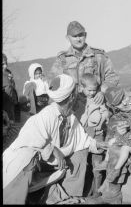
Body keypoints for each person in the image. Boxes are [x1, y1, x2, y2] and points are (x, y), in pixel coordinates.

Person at [3, 74, 107, 204]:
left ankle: (71, 197)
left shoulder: (70, 116)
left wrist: (98, 145)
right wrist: (51, 149)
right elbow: (27, 142)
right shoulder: (45, 116)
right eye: (75, 95)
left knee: (80, 153)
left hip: (56, 164)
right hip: (32, 166)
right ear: (71, 97)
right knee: (26, 158)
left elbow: (81, 139)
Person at [47, 21, 119, 197]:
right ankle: (74, 194)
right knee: (75, 154)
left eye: (81, 35)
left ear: (85, 35)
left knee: (97, 155)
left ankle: (97, 193)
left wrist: (103, 91)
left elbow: (112, 77)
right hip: (72, 114)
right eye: (74, 36)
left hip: (95, 114)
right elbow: (53, 85)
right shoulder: (62, 59)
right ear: (68, 37)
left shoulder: (98, 56)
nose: (78, 38)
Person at [79, 73, 110, 197]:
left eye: (94, 90)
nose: (92, 93)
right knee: (84, 165)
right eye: (89, 90)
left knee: (97, 166)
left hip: (97, 135)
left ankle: (97, 192)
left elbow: (105, 113)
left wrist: (101, 119)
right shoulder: (78, 100)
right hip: (83, 136)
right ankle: (84, 191)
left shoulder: (99, 98)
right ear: (82, 88)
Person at [2, 53, 18, 124]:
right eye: (2, 64)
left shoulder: (8, 73)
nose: (5, 66)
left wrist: (11, 81)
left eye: (6, 63)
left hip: (11, 104)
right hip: (4, 106)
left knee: (12, 123)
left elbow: (12, 88)